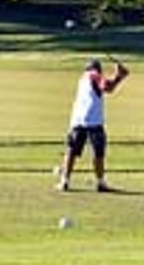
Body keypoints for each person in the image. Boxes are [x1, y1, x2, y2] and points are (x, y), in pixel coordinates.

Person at [56, 57, 129, 192]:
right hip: (94, 121)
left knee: (71, 151)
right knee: (98, 153)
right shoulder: (94, 75)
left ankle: (64, 181)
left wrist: (118, 77)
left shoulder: (82, 79)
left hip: (78, 120)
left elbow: (106, 87)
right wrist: (119, 76)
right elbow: (107, 87)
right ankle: (100, 182)